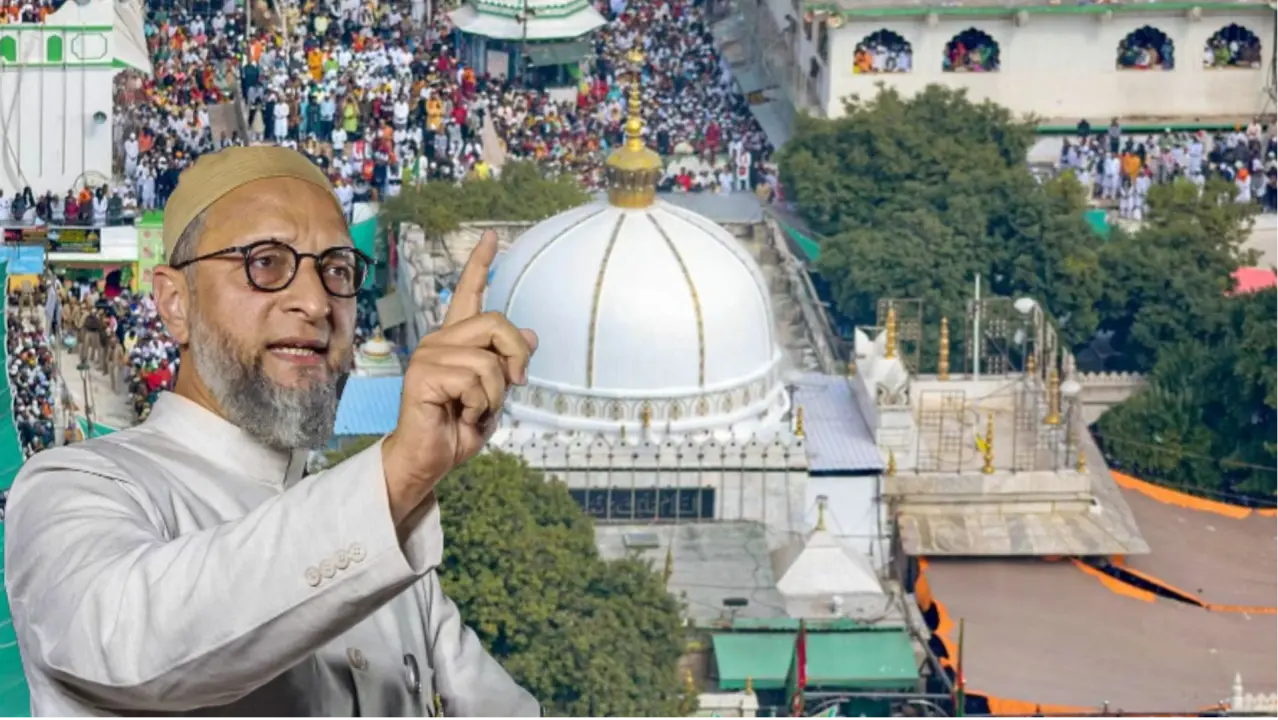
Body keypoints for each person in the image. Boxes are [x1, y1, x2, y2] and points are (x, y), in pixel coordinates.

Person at [4, 146, 542, 718]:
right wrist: (398, 473)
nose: (313, 302)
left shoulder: (397, 565)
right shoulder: (79, 486)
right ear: (174, 302)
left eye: (336, 270)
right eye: (264, 263)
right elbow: (121, 637)